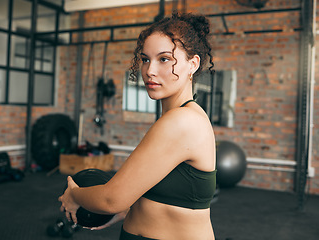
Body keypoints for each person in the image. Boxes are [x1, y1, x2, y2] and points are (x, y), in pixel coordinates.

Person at [59, 12, 216, 240]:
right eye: (145, 59)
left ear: (192, 64)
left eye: (164, 59)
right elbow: (153, 196)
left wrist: (75, 195)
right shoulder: (181, 117)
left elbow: (110, 199)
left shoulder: (182, 122)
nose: (150, 70)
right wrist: (126, 212)